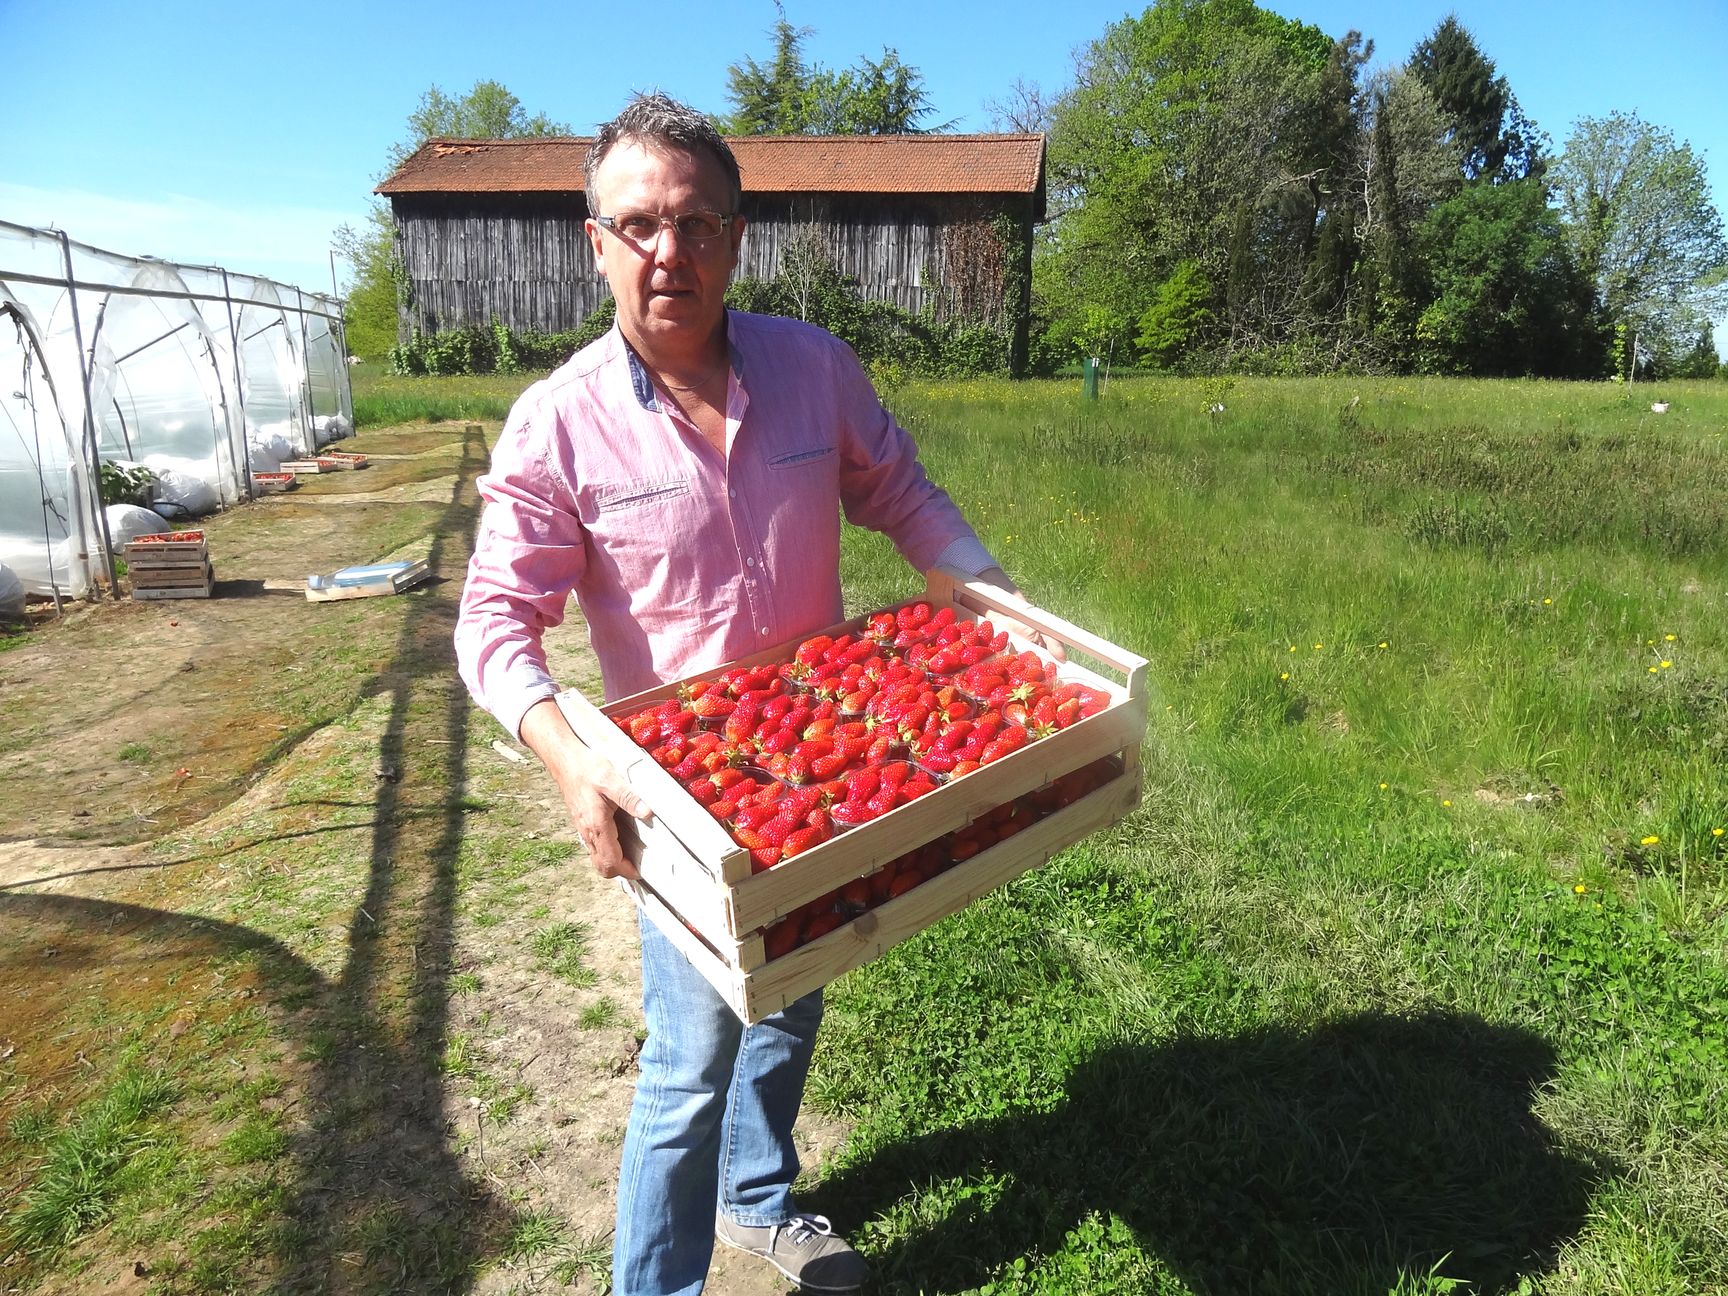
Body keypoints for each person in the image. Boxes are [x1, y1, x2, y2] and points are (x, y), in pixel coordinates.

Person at [454, 92, 1030, 1296]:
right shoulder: (558, 425)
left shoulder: (813, 368)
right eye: (640, 224)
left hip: (826, 754)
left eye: (697, 222)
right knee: (691, 1062)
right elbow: (494, 625)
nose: (670, 251)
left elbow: (899, 489)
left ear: (736, 237)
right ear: (597, 243)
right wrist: (572, 758)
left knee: (795, 992)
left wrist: (989, 594)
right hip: (680, 793)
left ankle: (757, 1196)